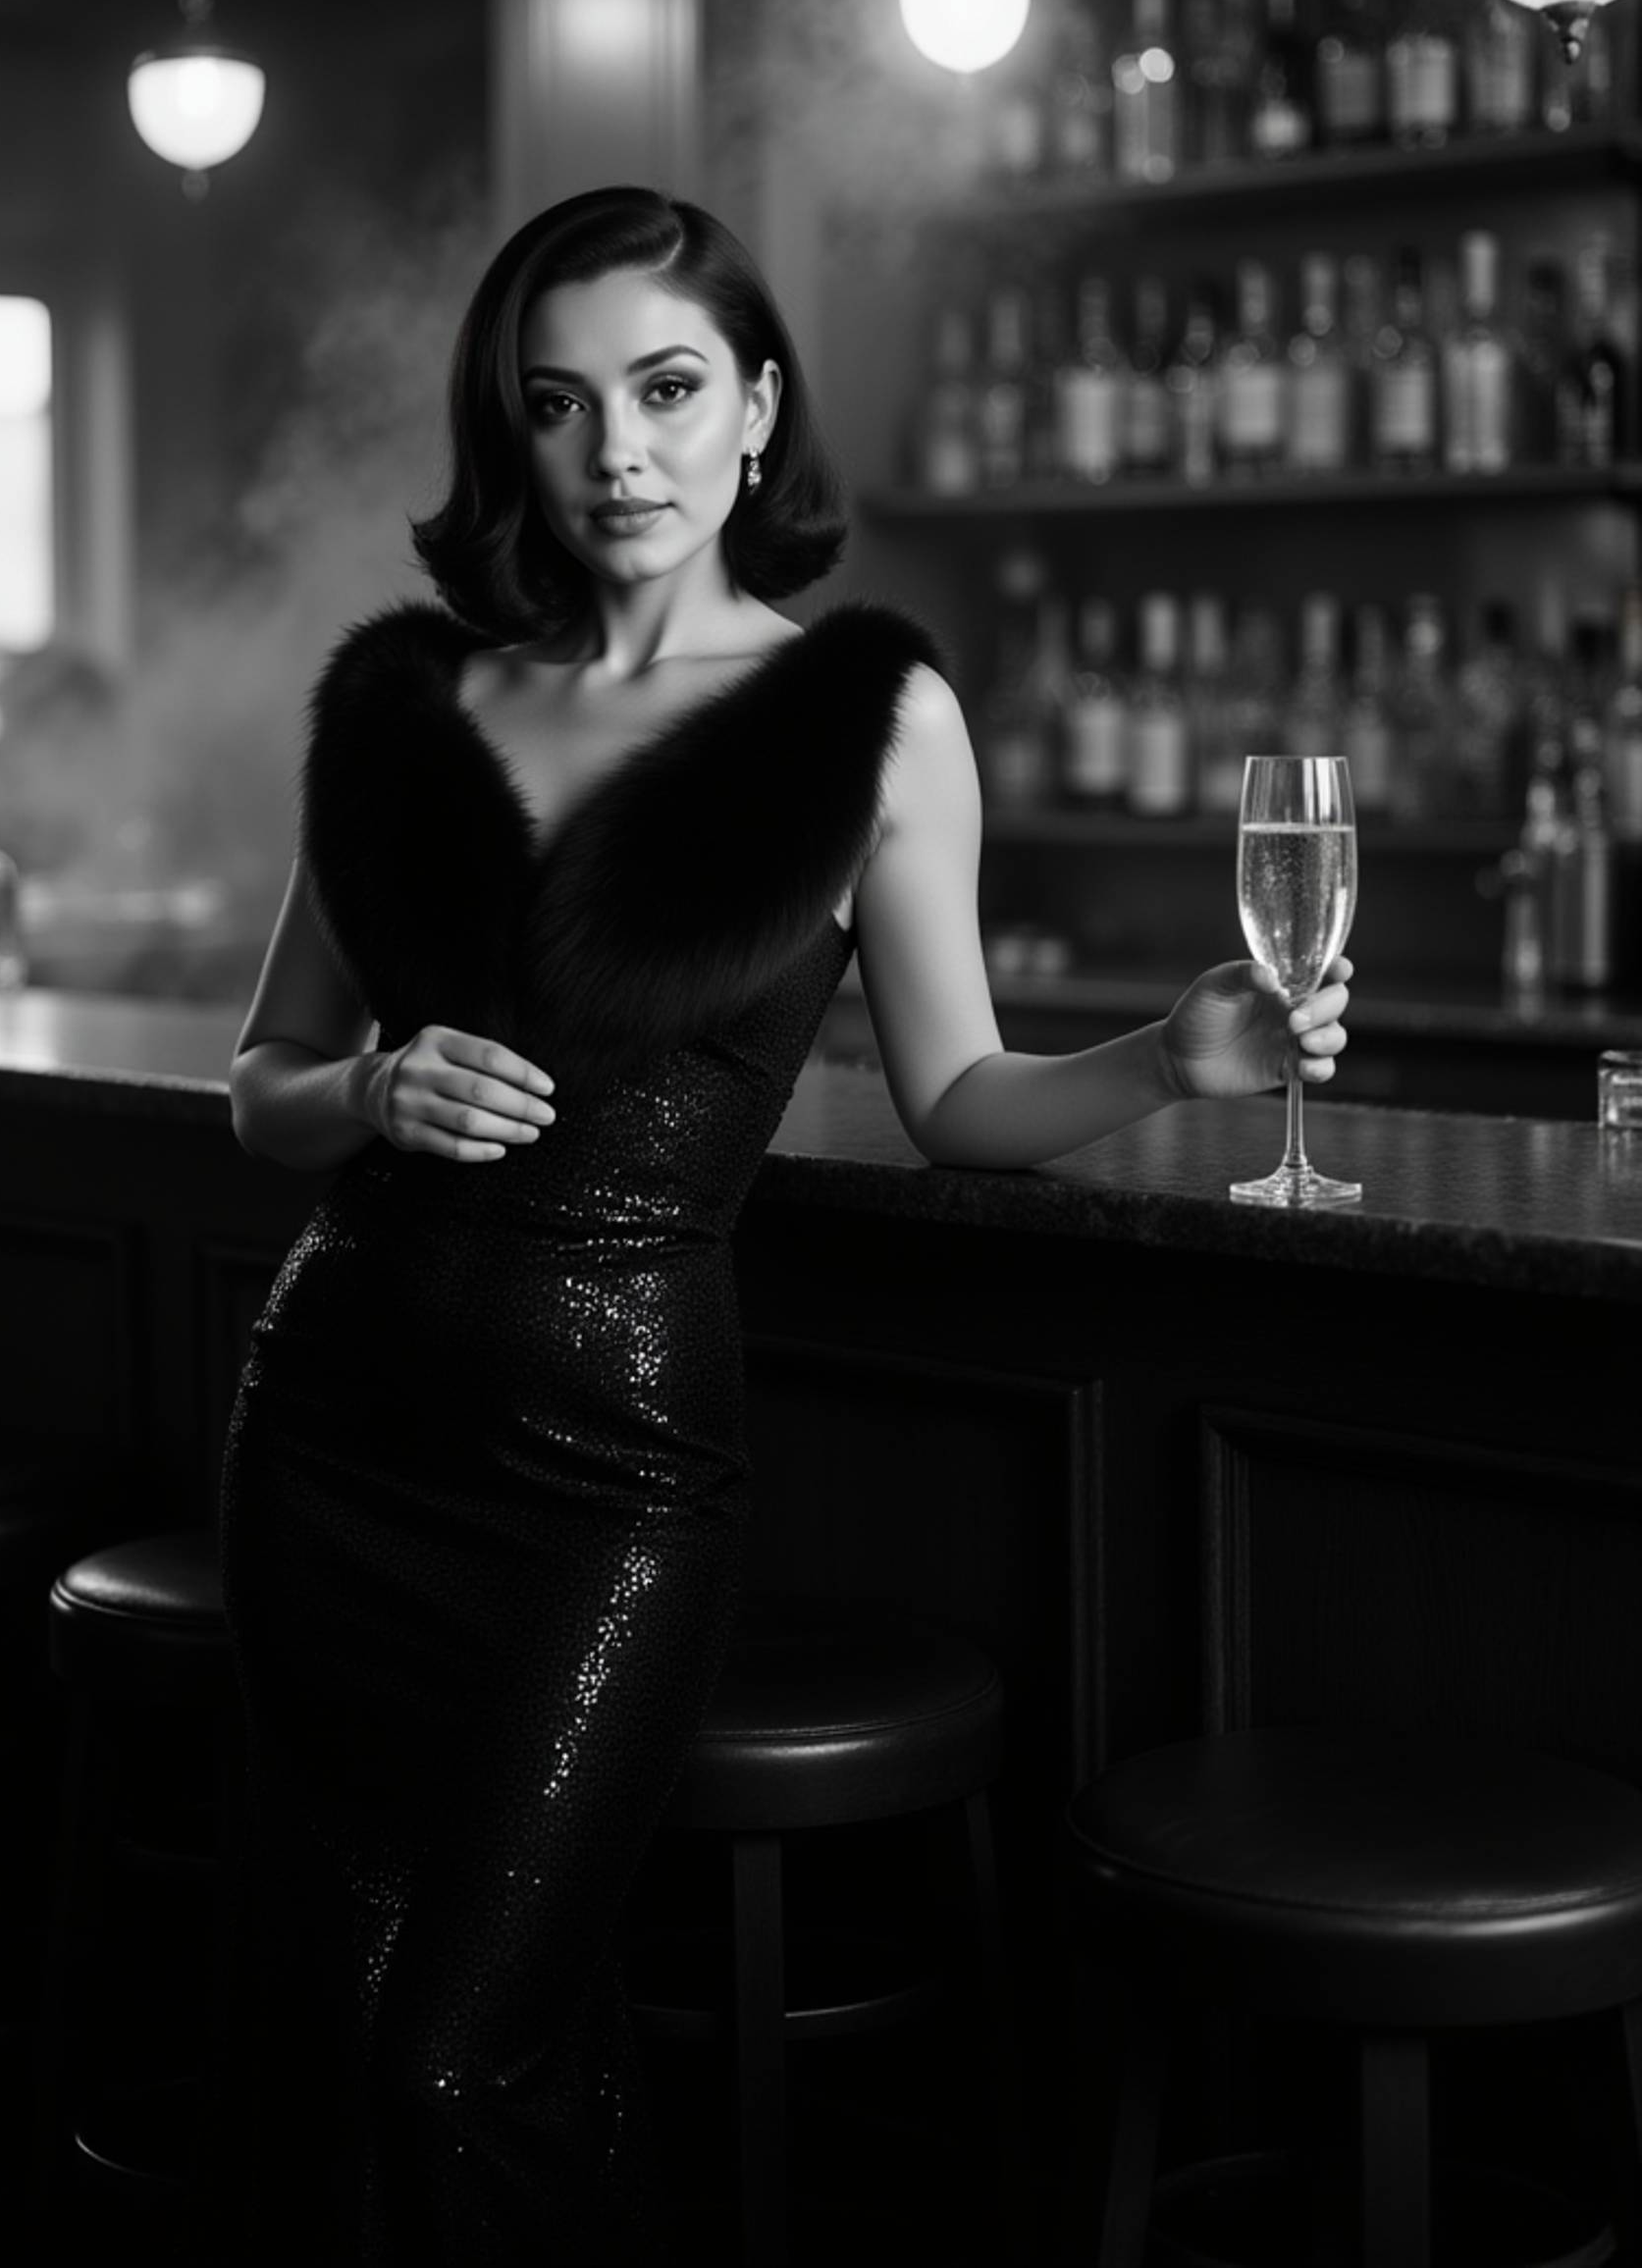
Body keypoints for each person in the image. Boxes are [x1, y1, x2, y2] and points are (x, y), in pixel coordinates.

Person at [218, 185, 1351, 2264]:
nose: (616, 452)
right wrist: (371, 1088)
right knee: (365, 2034)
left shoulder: (869, 718)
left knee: (454, 2054)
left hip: (607, 1477)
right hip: (331, 1436)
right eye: (558, 403)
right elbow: (262, 1078)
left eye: (665, 390)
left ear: (756, 405)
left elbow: (957, 1097)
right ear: (509, 432)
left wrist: (1166, 1059)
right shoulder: (408, 699)